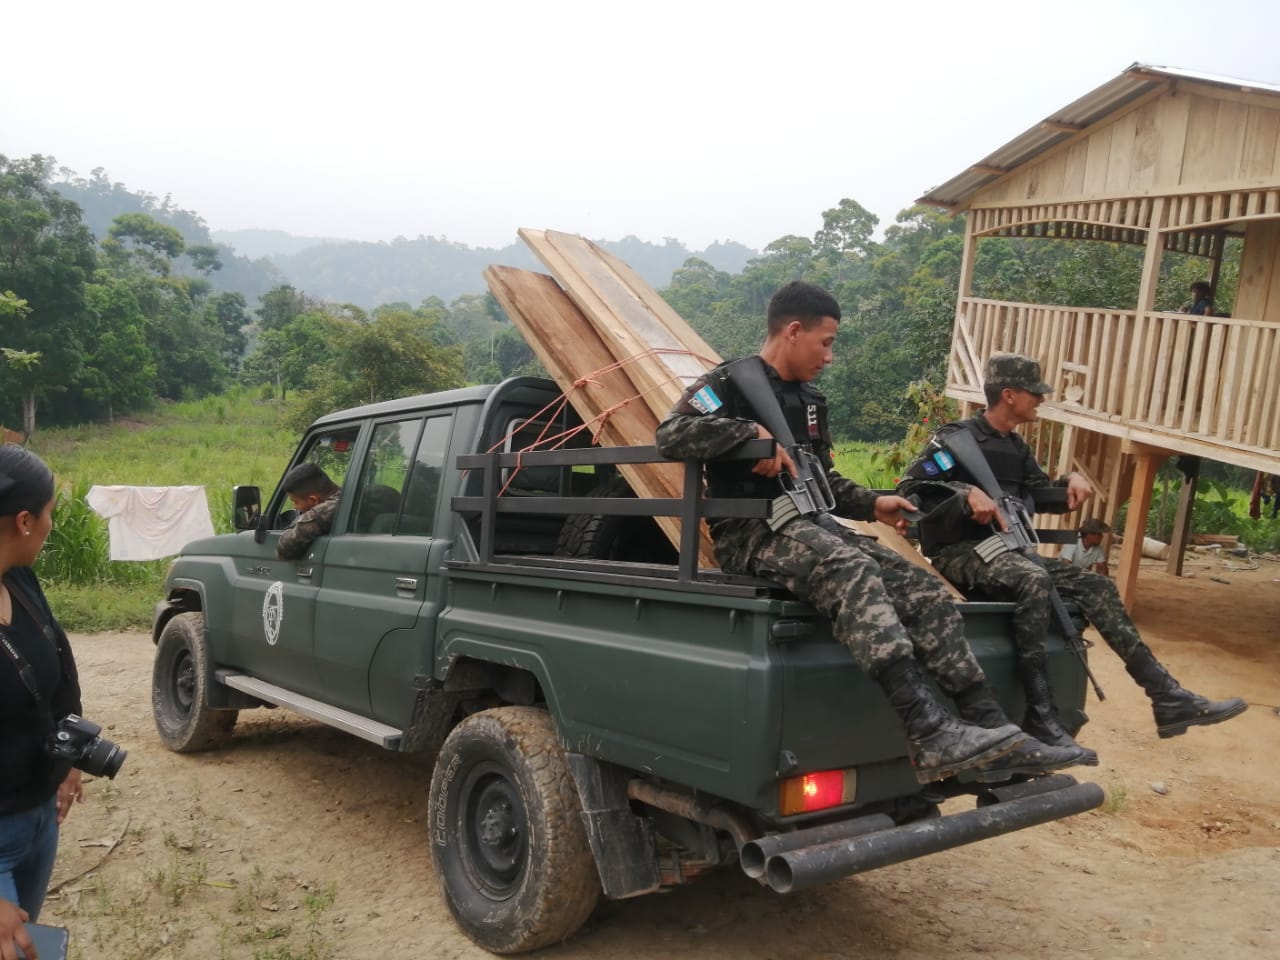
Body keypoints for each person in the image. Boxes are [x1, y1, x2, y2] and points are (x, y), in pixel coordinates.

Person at [655, 282, 1089, 785]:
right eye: (826, 342)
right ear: (793, 331)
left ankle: (992, 727)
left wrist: (875, 504)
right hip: (752, 534)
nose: (831, 356)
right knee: (852, 566)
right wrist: (745, 433)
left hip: (810, 525)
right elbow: (669, 435)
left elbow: (822, 480)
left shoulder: (810, 403)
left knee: (922, 588)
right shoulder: (730, 385)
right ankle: (927, 730)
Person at [898, 353, 1247, 762]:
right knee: (1033, 579)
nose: (1041, 400)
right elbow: (910, 488)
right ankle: (1041, 716)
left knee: (1095, 585)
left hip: (1008, 550)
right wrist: (962, 493)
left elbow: (1037, 491)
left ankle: (1167, 696)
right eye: (1034, 393)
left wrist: (1069, 483)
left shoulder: (1013, 446)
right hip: (958, 552)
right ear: (1008, 395)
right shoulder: (955, 439)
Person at [0, 447, 86, 960]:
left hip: (38, 818)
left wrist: (69, 756)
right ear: (26, 520)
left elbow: (60, 669)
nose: (53, 524)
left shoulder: (22, 580)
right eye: (50, 512)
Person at [276, 464, 341, 561]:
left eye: (296, 502)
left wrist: (302, 518)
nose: (295, 507)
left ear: (313, 501)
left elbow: (285, 547)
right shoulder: (353, 497)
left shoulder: (324, 512)